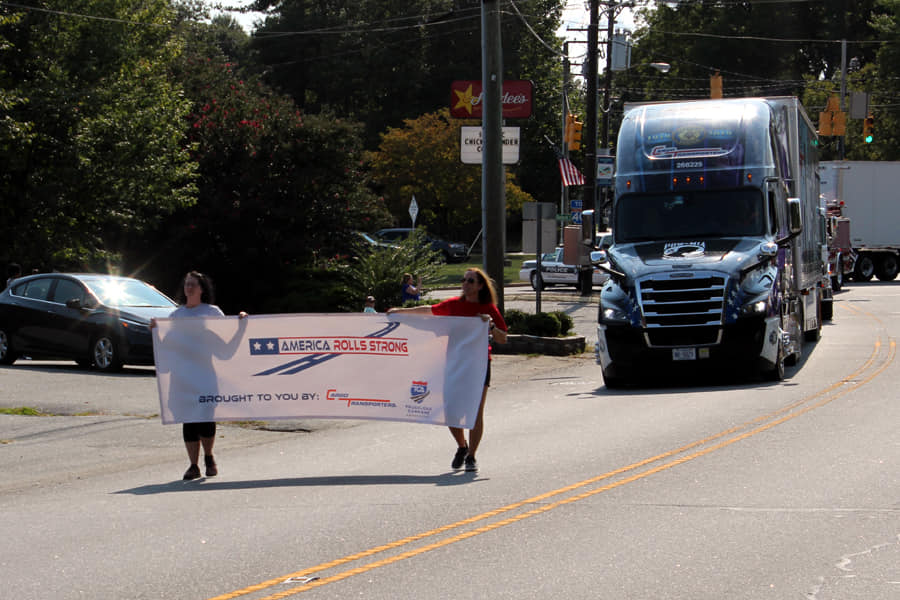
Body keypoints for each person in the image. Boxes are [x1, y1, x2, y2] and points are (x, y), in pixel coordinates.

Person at [387, 267, 507, 472]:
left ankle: (472, 456)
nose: (466, 284)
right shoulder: (453, 305)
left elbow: (503, 338)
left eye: (471, 281)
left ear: (479, 286)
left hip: (479, 364)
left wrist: (491, 327)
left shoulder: (488, 308)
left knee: (476, 412)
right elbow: (428, 310)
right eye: (464, 280)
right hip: (455, 362)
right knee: (451, 410)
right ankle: (462, 446)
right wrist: (400, 312)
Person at [155, 270, 247, 481]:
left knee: (205, 418)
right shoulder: (176, 315)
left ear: (201, 289)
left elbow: (225, 351)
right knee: (188, 420)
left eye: (193, 284)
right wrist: (156, 333)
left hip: (206, 376)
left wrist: (241, 326)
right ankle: (193, 465)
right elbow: (167, 346)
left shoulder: (212, 312)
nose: (189, 288)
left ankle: (209, 456)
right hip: (181, 377)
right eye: (187, 284)